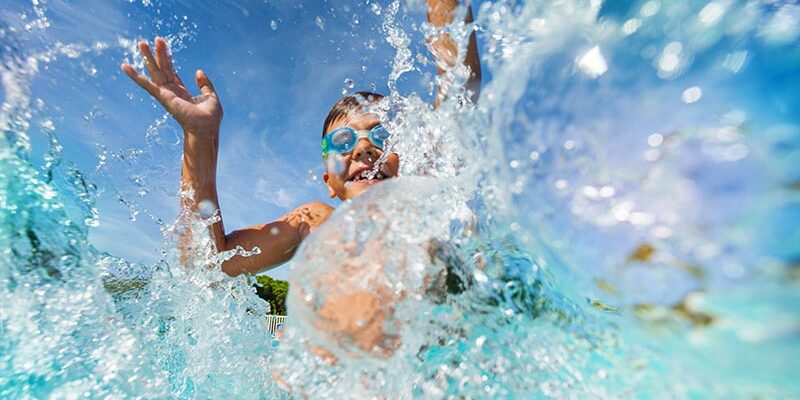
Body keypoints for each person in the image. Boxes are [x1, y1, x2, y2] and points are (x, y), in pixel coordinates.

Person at [121, 0, 480, 278]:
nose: (365, 148)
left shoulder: (430, 207)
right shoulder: (315, 220)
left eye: (382, 136)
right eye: (342, 141)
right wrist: (200, 137)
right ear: (329, 182)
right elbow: (208, 264)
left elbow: (459, 86)